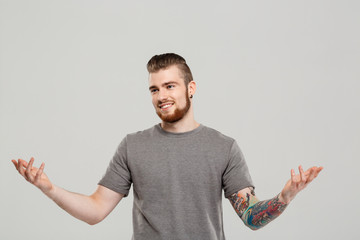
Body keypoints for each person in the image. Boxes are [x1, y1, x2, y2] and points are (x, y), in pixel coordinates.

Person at [12, 53, 323, 240]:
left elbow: (251, 217)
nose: (161, 95)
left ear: (191, 88)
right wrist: (49, 188)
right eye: (154, 89)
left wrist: (283, 198)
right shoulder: (132, 146)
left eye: (170, 86)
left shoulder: (223, 147)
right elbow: (96, 211)